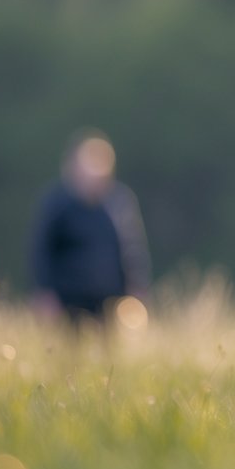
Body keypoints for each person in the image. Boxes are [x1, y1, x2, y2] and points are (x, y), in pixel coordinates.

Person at [30, 131, 150, 325]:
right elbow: (42, 251)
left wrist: (137, 289)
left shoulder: (119, 202)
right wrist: (45, 292)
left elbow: (132, 249)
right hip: (68, 302)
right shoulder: (57, 204)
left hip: (110, 302)